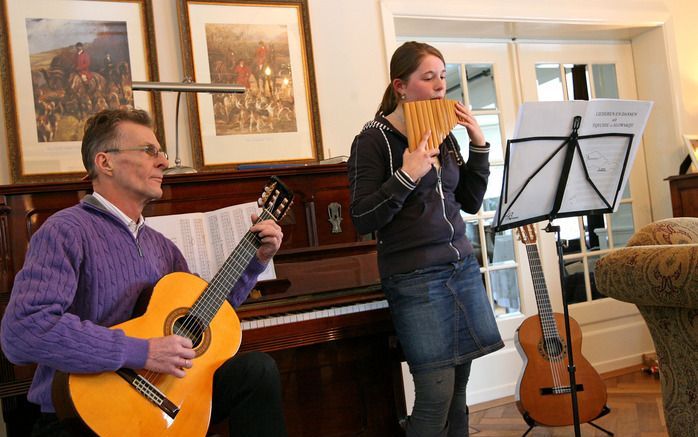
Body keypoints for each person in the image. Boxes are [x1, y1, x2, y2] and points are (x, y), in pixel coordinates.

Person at [0, 108, 287, 437]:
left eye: (161, 153)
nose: (163, 162)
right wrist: (144, 352)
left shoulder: (163, 246)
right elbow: (23, 330)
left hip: (160, 400)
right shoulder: (65, 231)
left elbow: (204, 319)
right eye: (150, 151)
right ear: (105, 162)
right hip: (81, 415)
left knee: (257, 371)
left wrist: (255, 260)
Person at [348, 41, 504, 437]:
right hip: (416, 279)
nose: (440, 87)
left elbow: (468, 201)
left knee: (459, 394)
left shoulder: (442, 133)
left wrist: (479, 144)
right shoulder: (373, 140)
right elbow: (362, 219)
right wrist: (406, 175)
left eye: (443, 77)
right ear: (400, 86)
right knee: (435, 397)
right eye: (428, 77)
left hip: (462, 270)